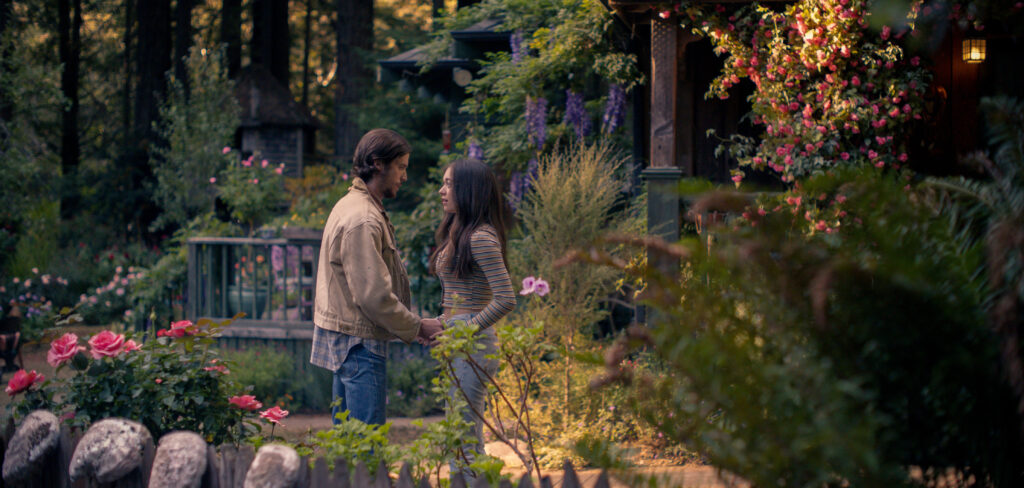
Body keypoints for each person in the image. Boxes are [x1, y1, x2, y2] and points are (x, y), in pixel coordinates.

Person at [311, 128, 443, 426]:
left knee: (349, 442)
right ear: (377, 163)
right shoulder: (363, 218)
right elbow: (373, 296)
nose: (404, 176)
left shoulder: (353, 205)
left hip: (350, 339)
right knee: (366, 444)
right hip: (359, 344)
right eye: (401, 167)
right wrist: (417, 325)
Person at [429, 158, 516, 482]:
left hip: (473, 345)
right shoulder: (459, 232)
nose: (442, 191)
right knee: (459, 434)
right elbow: (459, 295)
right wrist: (441, 323)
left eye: (449, 184)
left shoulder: (481, 237)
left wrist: (461, 327)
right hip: (458, 342)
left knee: (465, 436)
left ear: (469, 189)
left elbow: (506, 298)